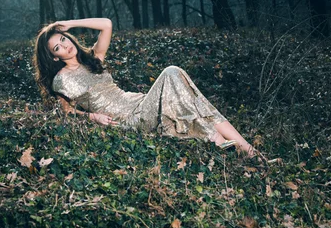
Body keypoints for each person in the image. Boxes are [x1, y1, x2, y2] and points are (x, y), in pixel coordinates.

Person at [33, 18, 259, 158]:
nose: (65, 46)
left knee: (191, 101)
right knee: (172, 73)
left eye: (64, 39)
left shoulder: (93, 59)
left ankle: (246, 150)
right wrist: (92, 117)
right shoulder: (61, 79)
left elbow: (107, 24)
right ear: (54, 58)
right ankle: (234, 148)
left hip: (139, 103)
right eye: (57, 48)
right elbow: (66, 112)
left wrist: (70, 23)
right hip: (127, 119)